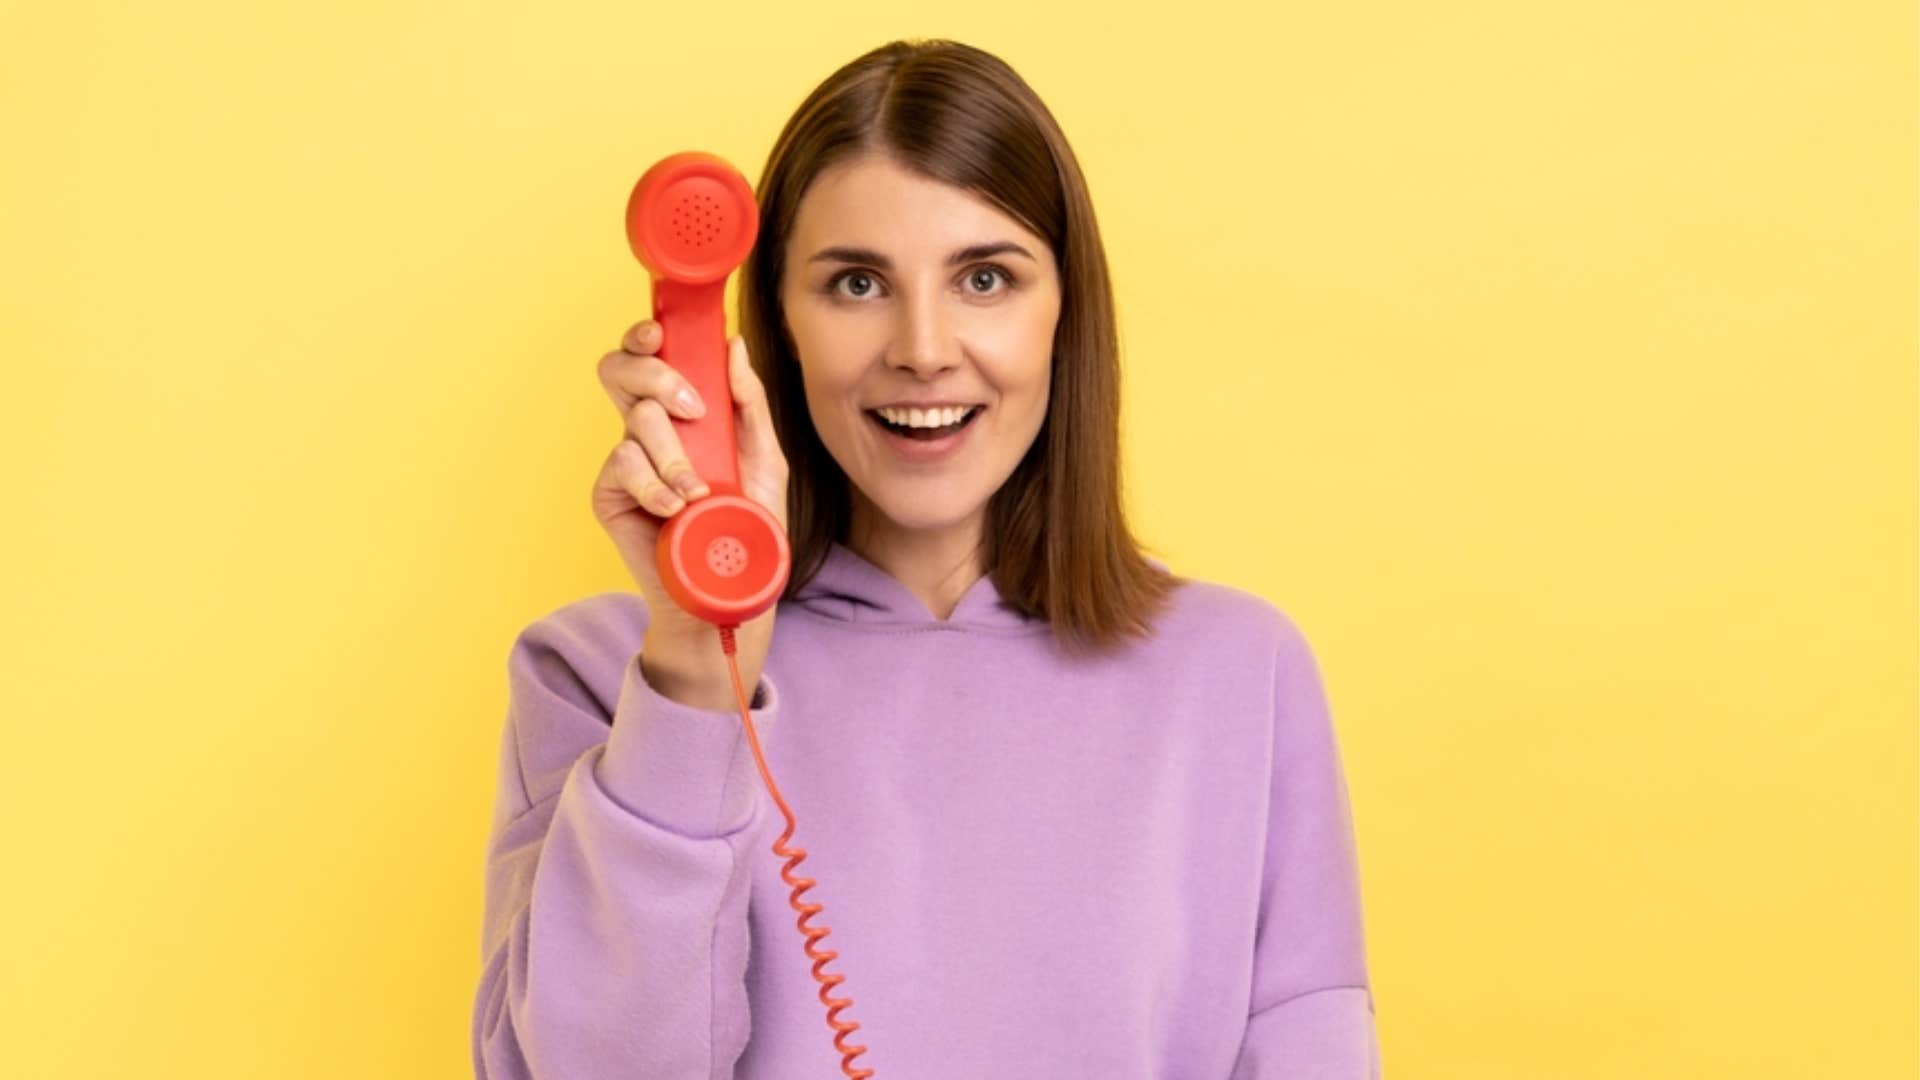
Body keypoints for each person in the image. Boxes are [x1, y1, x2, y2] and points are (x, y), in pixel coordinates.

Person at [473, 37, 1381, 1079]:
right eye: (857, 283)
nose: (922, 346)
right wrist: (695, 673)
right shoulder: (598, 676)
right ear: (773, 326)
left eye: (985, 278)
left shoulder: (1240, 673)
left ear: (1063, 313)